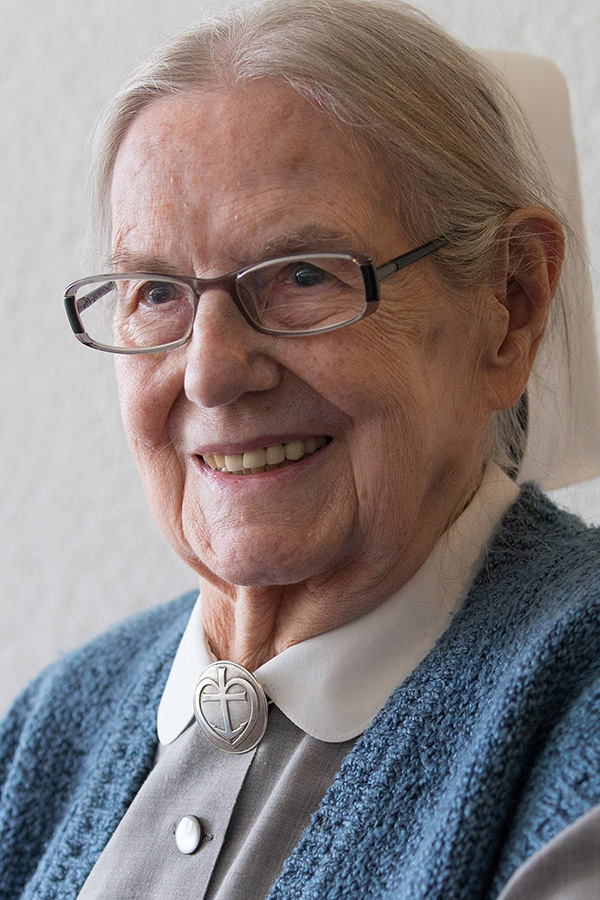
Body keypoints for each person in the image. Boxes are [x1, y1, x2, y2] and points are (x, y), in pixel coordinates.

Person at [2, 0, 600, 898]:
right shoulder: (49, 731)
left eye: (302, 275)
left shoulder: (575, 715)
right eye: (157, 292)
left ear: (511, 305)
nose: (209, 373)